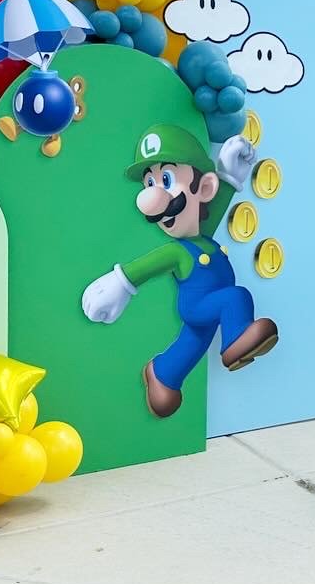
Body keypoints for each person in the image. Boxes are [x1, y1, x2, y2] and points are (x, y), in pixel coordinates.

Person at [81, 126, 279, 418]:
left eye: (166, 179)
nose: (152, 197)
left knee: (193, 344)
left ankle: (162, 375)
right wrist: (119, 284)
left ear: (205, 188)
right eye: (149, 183)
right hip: (200, 305)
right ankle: (237, 338)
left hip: (206, 311)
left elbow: (216, 203)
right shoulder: (178, 251)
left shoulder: (201, 236)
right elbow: (146, 267)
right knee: (236, 298)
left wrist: (229, 174)